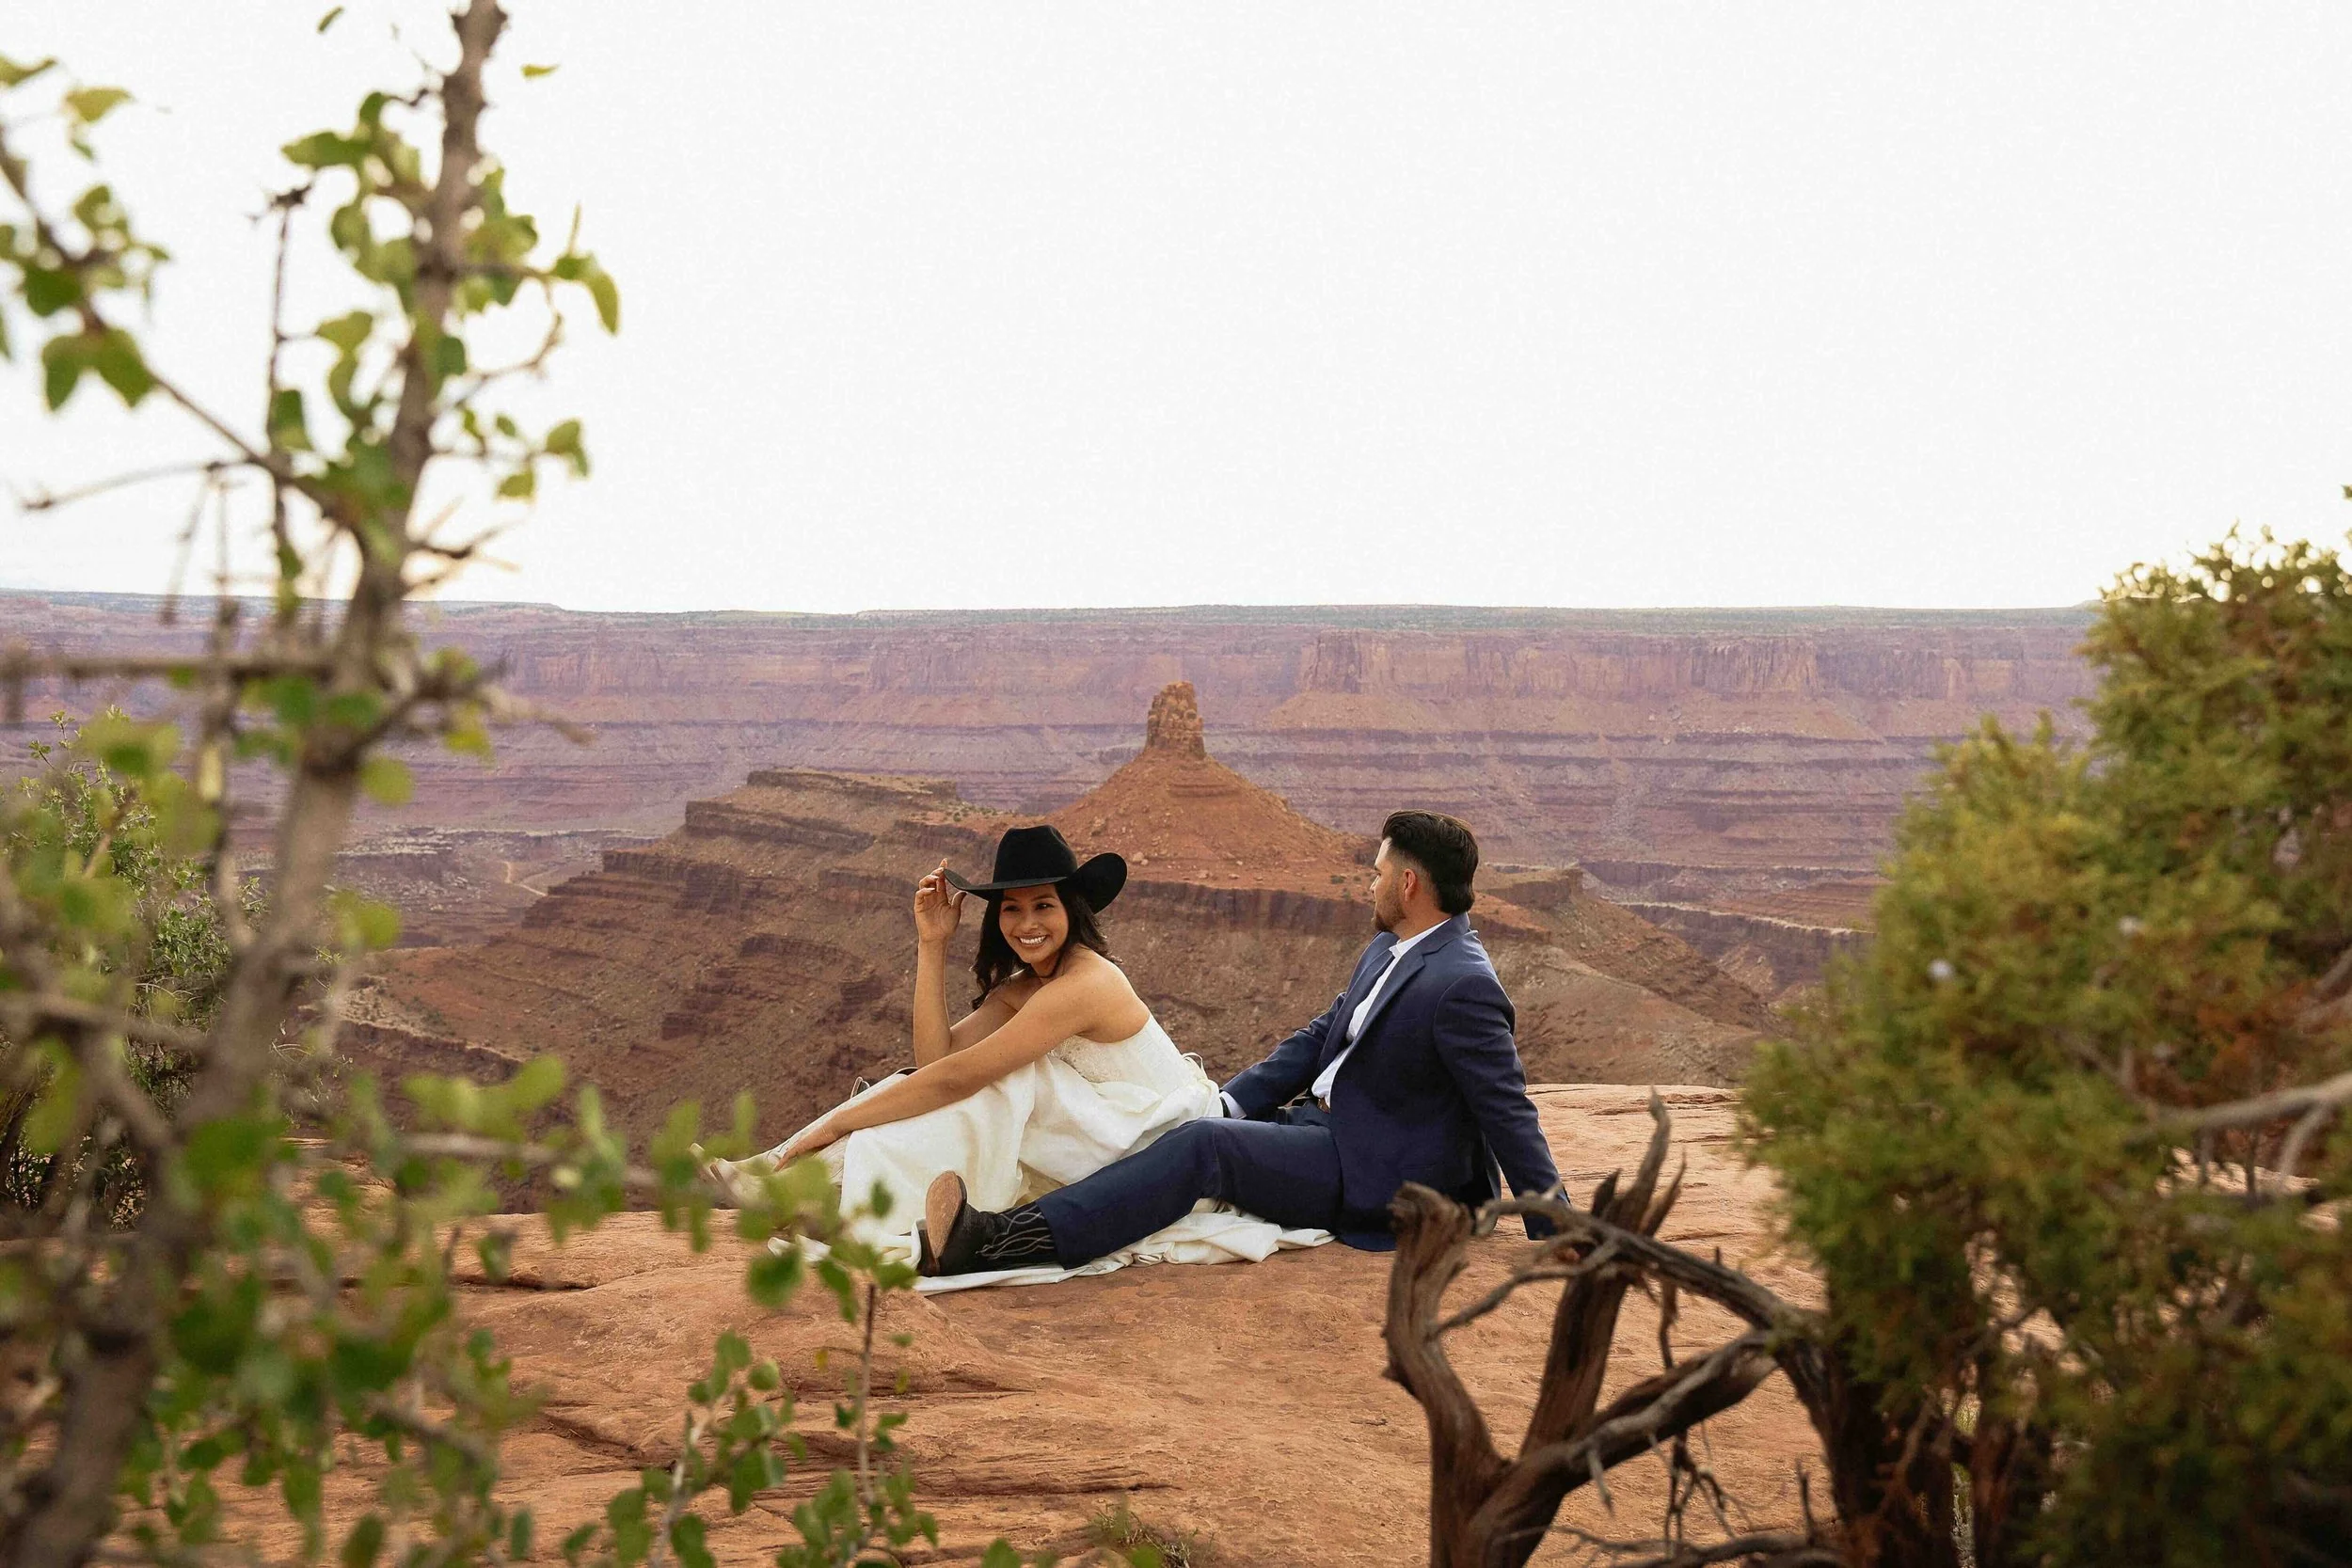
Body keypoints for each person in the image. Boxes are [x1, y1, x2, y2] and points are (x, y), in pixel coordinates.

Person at [917, 810, 1563, 1276]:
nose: (1370, 884)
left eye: (1378, 873)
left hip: (1377, 1172)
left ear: (1410, 885)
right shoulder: (1390, 949)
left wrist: (1555, 1227)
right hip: (1321, 1130)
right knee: (1196, 1131)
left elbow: (1506, 1106)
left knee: (1204, 1150)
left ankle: (996, 1241)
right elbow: (1321, 1037)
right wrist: (1231, 1101)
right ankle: (1014, 1219)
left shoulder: (1463, 983)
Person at [706, 823, 1229, 1273]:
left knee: (1011, 1079)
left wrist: (839, 1122)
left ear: (1072, 909)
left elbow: (958, 1078)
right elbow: (937, 1061)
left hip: (1159, 1153)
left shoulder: (1086, 984)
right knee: (939, 1082)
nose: (1027, 924)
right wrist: (932, 944)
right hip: (1100, 1137)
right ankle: (774, 1172)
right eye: (1012, 908)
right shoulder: (1027, 986)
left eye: (1043, 905)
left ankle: (790, 1185)